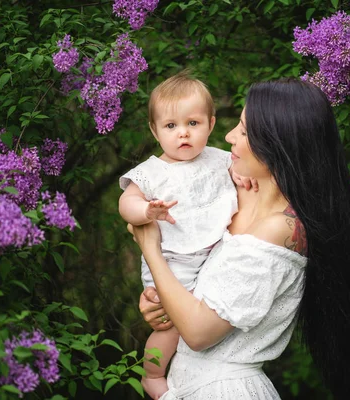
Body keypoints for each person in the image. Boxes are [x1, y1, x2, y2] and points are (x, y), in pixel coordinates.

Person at [130, 78, 350, 399]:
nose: (228, 136)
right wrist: (158, 300)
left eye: (245, 130)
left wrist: (151, 251)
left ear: (278, 144)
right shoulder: (234, 199)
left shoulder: (280, 230)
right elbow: (166, 239)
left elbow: (197, 332)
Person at [119, 72, 255, 399]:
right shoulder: (151, 172)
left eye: (193, 123)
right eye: (171, 126)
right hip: (172, 261)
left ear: (210, 123)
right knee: (170, 324)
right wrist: (145, 211)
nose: (183, 133)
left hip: (212, 258)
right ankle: (152, 374)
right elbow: (126, 203)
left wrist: (241, 175)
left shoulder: (221, 160)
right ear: (155, 130)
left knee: (199, 319)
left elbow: (240, 174)